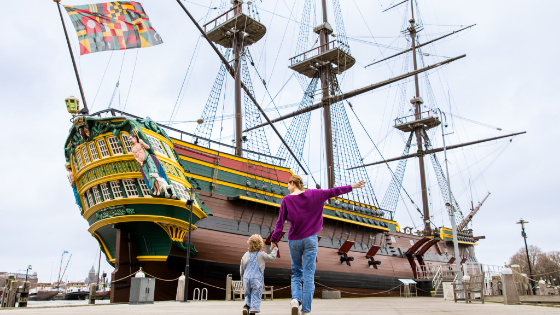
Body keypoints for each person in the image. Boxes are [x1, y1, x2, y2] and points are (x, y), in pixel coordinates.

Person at [269, 176, 365, 315]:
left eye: (288, 185)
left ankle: (295, 299)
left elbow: (280, 223)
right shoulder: (316, 194)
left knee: (296, 273)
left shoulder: (286, 200)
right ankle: (306, 310)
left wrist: (274, 240)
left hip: (294, 240)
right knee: (309, 274)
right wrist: (352, 186)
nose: (287, 187)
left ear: (292, 183)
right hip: (310, 240)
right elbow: (334, 191)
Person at [240, 234, 278, 314]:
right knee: (256, 296)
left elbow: (242, 268)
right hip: (256, 280)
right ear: (260, 244)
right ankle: (252, 312)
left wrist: (242, 279)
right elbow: (272, 257)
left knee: (247, 294)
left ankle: (246, 307)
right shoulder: (261, 254)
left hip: (246, 279)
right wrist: (274, 249)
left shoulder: (245, 255)